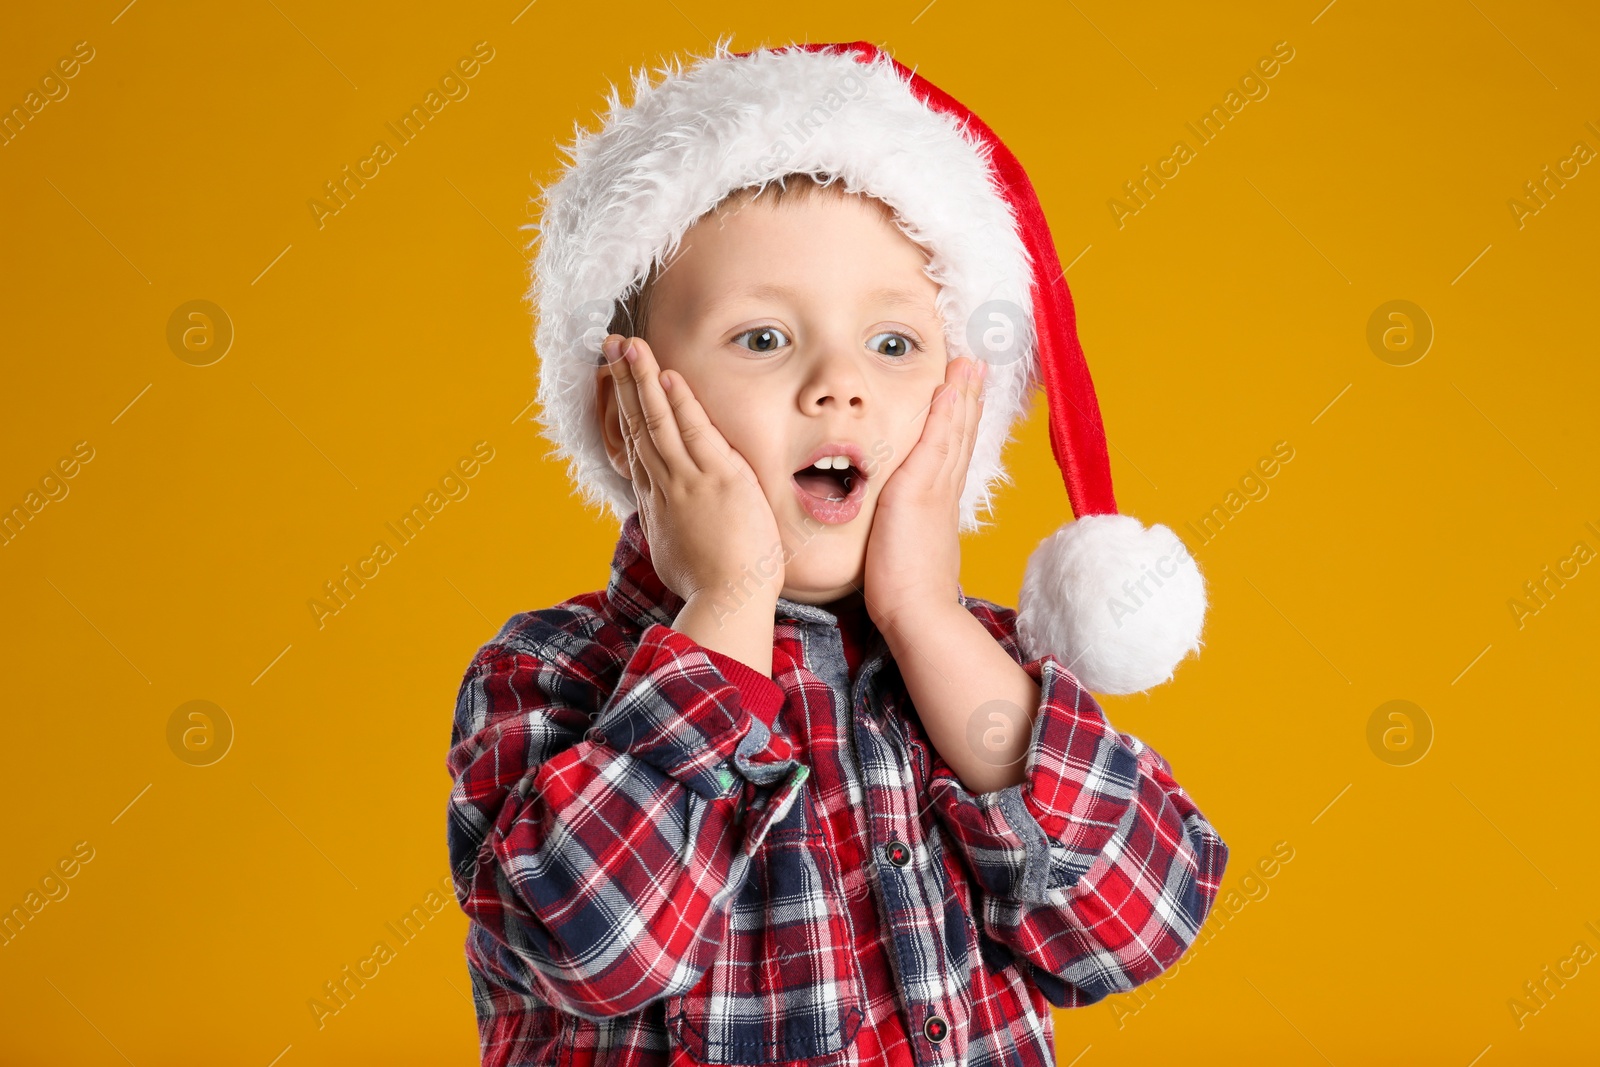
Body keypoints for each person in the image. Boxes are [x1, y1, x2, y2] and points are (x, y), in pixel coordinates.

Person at [446, 38, 1227, 1067]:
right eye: (762, 338)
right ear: (628, 410)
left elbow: (1140, 922)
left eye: (893, 344)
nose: (838, 386)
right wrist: (727, 596)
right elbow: (591, 944)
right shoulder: (547, 674)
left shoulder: (971, 663)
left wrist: (926, 616)